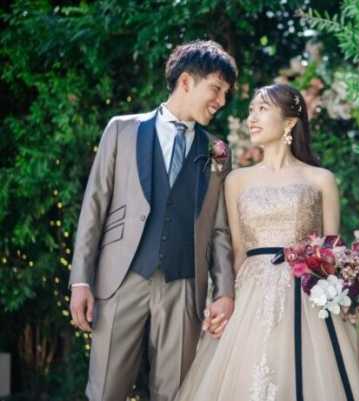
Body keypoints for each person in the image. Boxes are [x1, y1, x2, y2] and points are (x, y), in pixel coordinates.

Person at [174, 83, 359, 401]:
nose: (252, 118)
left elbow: (332, 252)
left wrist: (348, 288)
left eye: (262, 109)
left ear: (289, 122)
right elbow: (237, 252)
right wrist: (225, 300)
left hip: (309, 295)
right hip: (253, 298)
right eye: (251, 110)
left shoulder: (320, 179)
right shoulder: (236, 180)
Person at [68, 40, 237, 401]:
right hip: (121, 278)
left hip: (183, 285)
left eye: (225, 93)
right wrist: (81, 279)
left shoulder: (217, 151)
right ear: (186, 81)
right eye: (216, 89)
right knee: (106, 390)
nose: (221, 101)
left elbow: (220, 230)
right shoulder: (122, 130)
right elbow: (94, 206)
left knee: (175, 392)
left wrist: (224, 291)